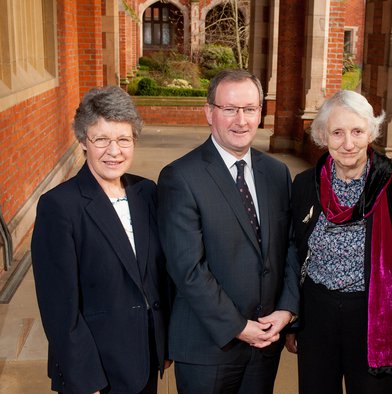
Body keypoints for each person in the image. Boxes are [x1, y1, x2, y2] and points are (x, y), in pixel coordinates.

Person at [157, 69, 299, 394]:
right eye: (229, 109)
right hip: (208, 347)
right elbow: (188, 269)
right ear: (209, 112)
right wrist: (238, 327)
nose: (241, 120)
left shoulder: (276, 173)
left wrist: (286, 309)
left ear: (260, 113)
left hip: (265, 344)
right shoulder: (180, 178)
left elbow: (289, 247)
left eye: (249, 109)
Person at [31, 86, 170, 394]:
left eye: (123, 139)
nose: (114, 151)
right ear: (83, 141)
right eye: (101, 139)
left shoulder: (146, 192)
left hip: (144, 359)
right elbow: (59, 308)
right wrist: (85, 380)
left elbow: (154, 275)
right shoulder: (60, 206)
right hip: (97, 370)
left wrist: (162, 341)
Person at [285, 90, 392, 394]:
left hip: (375, 316)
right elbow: (295, 256)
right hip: (317, 315)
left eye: (357, 131)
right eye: (337, 132)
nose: (348, 143)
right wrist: (294, 321)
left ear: (371, 132)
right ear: (323, 135)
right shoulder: (305, 185)